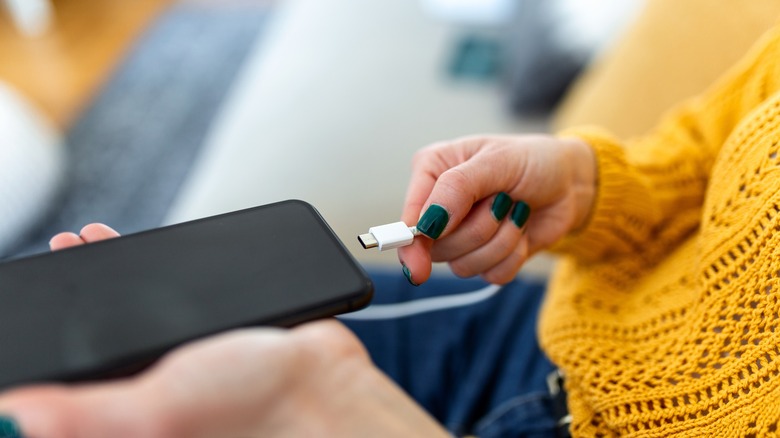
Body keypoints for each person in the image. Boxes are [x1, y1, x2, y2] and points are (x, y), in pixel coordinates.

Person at [1, 19, 780, 438]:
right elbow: (711, 140)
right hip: (560, 338)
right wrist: (591, 182)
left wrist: (343, 409)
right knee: (82, 321)